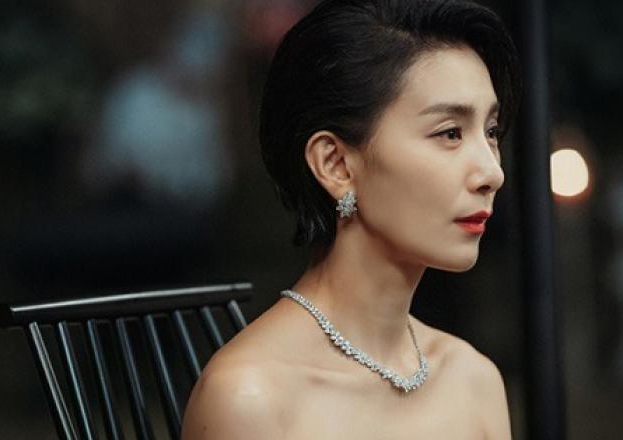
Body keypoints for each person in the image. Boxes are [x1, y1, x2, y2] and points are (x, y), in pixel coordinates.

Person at [182, 0, 522, 438]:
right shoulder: (251, 397)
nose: (492, 173)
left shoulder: (473, 380)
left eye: (490, 132)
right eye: (450, 133)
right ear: (336, 165)